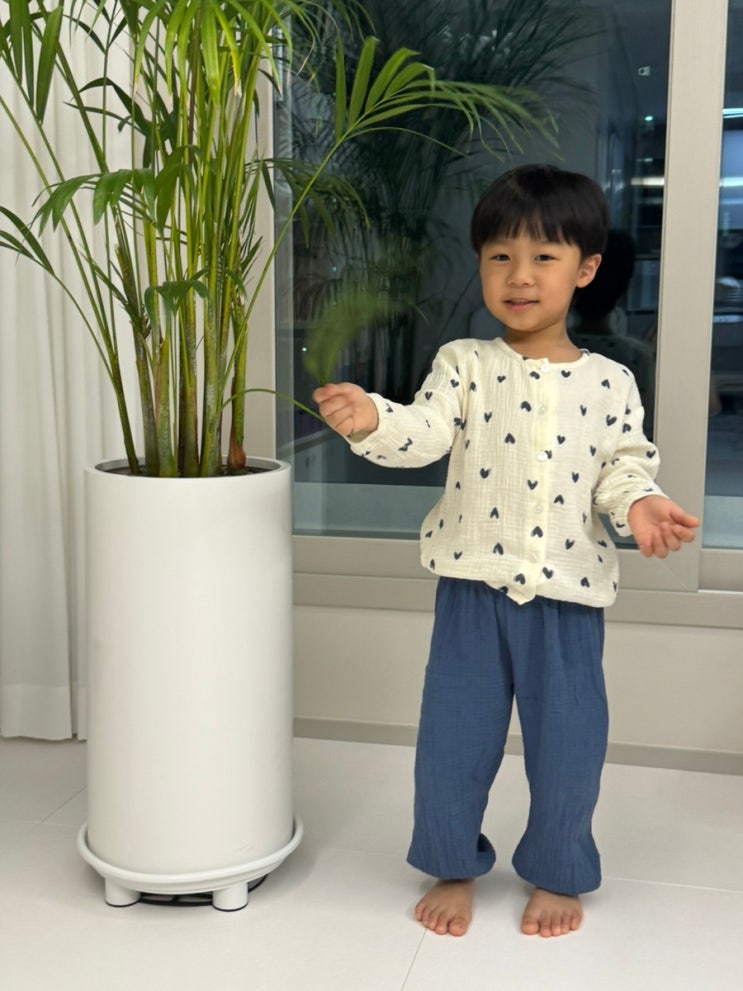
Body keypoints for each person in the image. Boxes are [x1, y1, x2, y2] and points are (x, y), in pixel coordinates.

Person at [313, 164, 699, 940]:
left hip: (568, 597)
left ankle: (557, 868)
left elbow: (621, 469)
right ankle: (451, 861)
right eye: (499, 256)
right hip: (470, 588)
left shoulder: (611, 382)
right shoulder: (462, 363)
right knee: (452, 742)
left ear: (584, 268)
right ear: (481, 263)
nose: (518, 276)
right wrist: (373, 419)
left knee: (568, 747)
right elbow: (424, 432)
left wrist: (642, 505)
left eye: (543, 257)